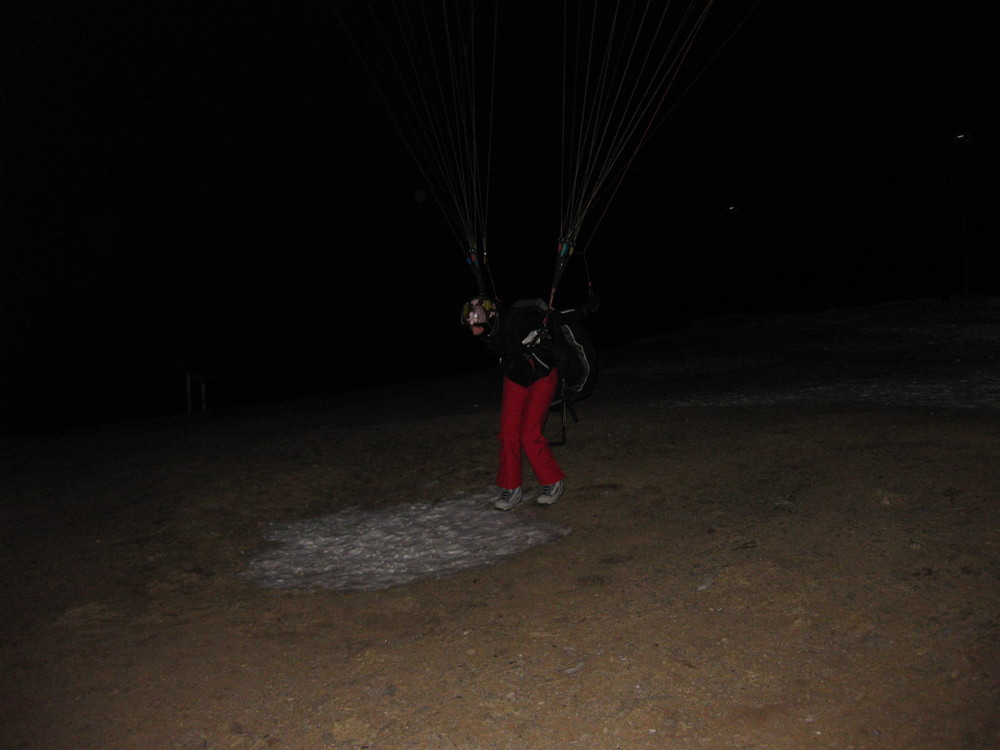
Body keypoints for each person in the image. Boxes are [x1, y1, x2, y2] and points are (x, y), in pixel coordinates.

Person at [462, 296, 582, 511]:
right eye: (471, 326)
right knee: (508, 433)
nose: (473, 331)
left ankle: (553, 482)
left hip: (542, 374)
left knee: (529, 433)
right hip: (516, 376)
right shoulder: (489, 329)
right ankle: (511, 488)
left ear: (488, 320)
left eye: (476, 326)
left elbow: (554, 318)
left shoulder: (516, 322)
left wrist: (583, 307)